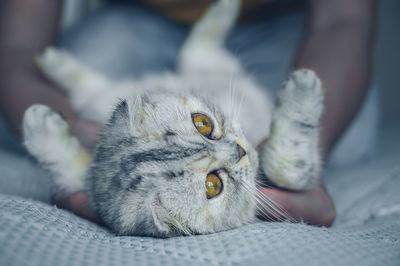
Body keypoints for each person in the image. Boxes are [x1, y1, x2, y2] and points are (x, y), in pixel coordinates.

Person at [0, 0, 377, 227]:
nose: (237, 151)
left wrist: (317, 142)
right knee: (70, 78)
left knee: (351, 137)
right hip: (136, 21)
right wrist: (76, 134)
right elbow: (16, 47)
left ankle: (206, 63)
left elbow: (344, 18)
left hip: (288, 25)